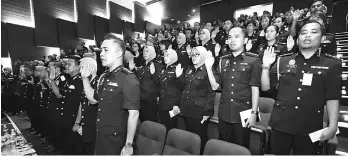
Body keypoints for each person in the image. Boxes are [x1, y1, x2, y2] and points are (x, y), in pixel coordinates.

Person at [261, 20, 341, 155]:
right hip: (280, 125)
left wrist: (333, 126)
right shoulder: (283, 60)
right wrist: (266, 67)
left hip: (309, 127)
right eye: (303, 33)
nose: (307, 36)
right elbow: (265, 87)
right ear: (298, 39)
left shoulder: (332, 64)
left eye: (313, 32)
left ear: (322, 38)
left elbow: (333, 97)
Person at [81, 33, 140, 155]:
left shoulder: (128, 78)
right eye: (101, 50)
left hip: (116, 142)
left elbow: (133, 114)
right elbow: (93, 99)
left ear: (119, 53)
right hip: (101, 137)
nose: (101, 54)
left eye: (106, 50)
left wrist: (128, 144)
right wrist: (85, 79)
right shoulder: (104, 77)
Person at [206, 27, 261, 148]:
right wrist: (209, 69)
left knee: (241, 147)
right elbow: (215, 87)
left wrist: (254, 113)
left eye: (236, 37)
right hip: (224, 112)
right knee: (224, 146)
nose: (232, 40)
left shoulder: (253, 60)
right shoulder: (222, 60)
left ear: (245, 40)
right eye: (230, 37)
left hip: (243, 113)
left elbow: (255, 89)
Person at [176, 46, 216, 153]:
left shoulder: (208, 70)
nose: (194, 57)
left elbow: (212, 93)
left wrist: (207, 112)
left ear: (203, 55)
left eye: (197, 54)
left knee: (200, 139)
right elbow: (184, 87)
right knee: (189, 139)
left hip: (199, 112)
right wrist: (179, 77)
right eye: (192, 54)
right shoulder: (189, 70)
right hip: (187, 109)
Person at [74, 57, 98, 155]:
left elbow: (95, 108)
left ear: (90, 68)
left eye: (82, 67)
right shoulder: (86, 83)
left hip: (93, 126)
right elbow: (82, 104)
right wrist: (78, 122)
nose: (80, 71)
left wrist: (86, 126)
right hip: (86, 125)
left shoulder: (97, 83)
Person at [133, 46, 162, 122]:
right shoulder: (143, 65)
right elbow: (139, 78)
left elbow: (159, 83)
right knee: (142, 119)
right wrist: (133, 69)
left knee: (150, 120)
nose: (145, 53)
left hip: (150, 98)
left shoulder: (157, 65)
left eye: (147, 51)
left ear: (152, 53)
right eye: (144, 51)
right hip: (141, 96)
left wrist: (153, 74)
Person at [157, 49, 182, 130]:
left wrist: (177, 105)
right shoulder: (162, 69)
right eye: (165, 55)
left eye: (168, 55)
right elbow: (159, 85)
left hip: (173, 105)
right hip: (162, 103)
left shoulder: (177, 69)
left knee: (172, 126)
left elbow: (182, 87)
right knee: (162, 125)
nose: (165, 57)